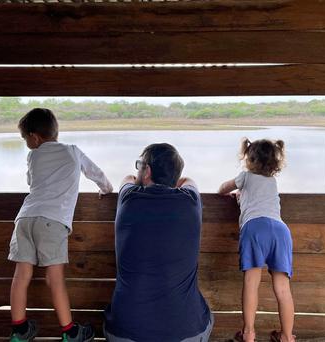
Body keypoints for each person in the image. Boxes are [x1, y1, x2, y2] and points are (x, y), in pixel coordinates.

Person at [8, 108, 113, 342]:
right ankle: (69, 332)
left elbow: (31, 182)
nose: (27, 144)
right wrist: (106, 189)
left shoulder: (33, 156)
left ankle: (20, 330)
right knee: (53, 278)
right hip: (52, 221)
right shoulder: (72, 151)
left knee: (21, 275)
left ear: (35, 137)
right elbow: (96, 173)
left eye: (25, 139)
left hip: (24, 219)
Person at [104, 143, 212, 342]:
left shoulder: (129, 198)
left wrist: (139, 177)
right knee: (204, 314)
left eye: (140, 165)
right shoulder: (190, 201)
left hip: (126, 331)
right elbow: (188, 180)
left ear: (147, 172)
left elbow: (127, 179)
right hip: (185, 331)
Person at [218, 138, 295, 342]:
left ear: (249, 158)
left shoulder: (245, 176)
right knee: (283, 288)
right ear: (275, 163)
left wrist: (239, 193)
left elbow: (222, 189)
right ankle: (287, 336)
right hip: (280, 230)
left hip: (255, 228)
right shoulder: (272, 181)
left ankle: (249, 333)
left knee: (252, 283)